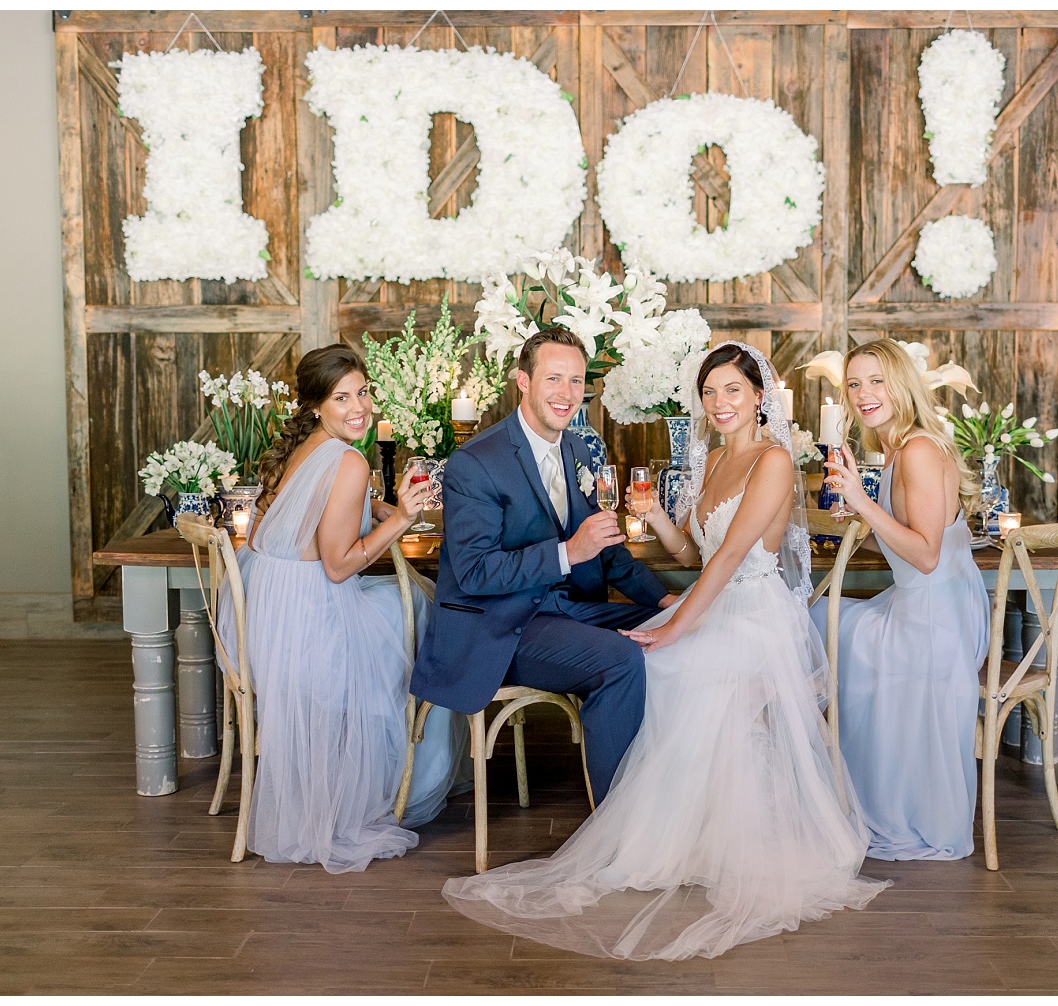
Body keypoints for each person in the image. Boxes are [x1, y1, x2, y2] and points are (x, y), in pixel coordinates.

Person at [441, 342, 888, 961]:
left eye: (733, 390)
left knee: (659, 657)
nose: (721, 403)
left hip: (753, 611)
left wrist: (668, 620)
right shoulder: (702, 461)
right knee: (642, 658)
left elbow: (731, 558)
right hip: (530, 619)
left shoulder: (773, 459)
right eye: (710, 392)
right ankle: (642, 828)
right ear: (523, 382)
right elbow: (691, 555)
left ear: (761, 396)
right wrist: (651, 523)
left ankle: (666, 832)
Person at [219, 345, 465, 874]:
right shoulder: (350, 459)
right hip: (313, 621)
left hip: (267, 618)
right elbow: (338, 566)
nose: (360, 408)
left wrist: (371, 507)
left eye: (364, 392)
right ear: (315, 406)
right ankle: (407, 782)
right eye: (342, 398)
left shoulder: (305, 446)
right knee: (427, 612)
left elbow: (313, 512)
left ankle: (385, 767)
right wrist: (400, 517)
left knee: (413, 602)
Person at [411, 327, 673, 807]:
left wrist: (665, 602)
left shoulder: (576, 450)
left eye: (576, 382)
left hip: (572, 611)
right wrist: (567, 553)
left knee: (679, 630)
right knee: (621, 659)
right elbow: (475, 573)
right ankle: (618, 817)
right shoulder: (474, 462)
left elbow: (606, 548)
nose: (567, 393)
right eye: (554, 378)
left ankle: (675, 800)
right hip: (504, 626)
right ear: (523, 382)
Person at [811, 337, 990, 860]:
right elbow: (904, 536)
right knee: (823, 619)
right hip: (926, 604)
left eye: (876, 380)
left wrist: (863, 501)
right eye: (853, 384)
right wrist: (858, 520)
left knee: (817, 625)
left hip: (936, 619)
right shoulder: (899, 446)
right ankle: (816, 782)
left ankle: (814, 787)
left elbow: (927, 554)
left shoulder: (916, 449)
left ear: (901, 383)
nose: (864, 393)